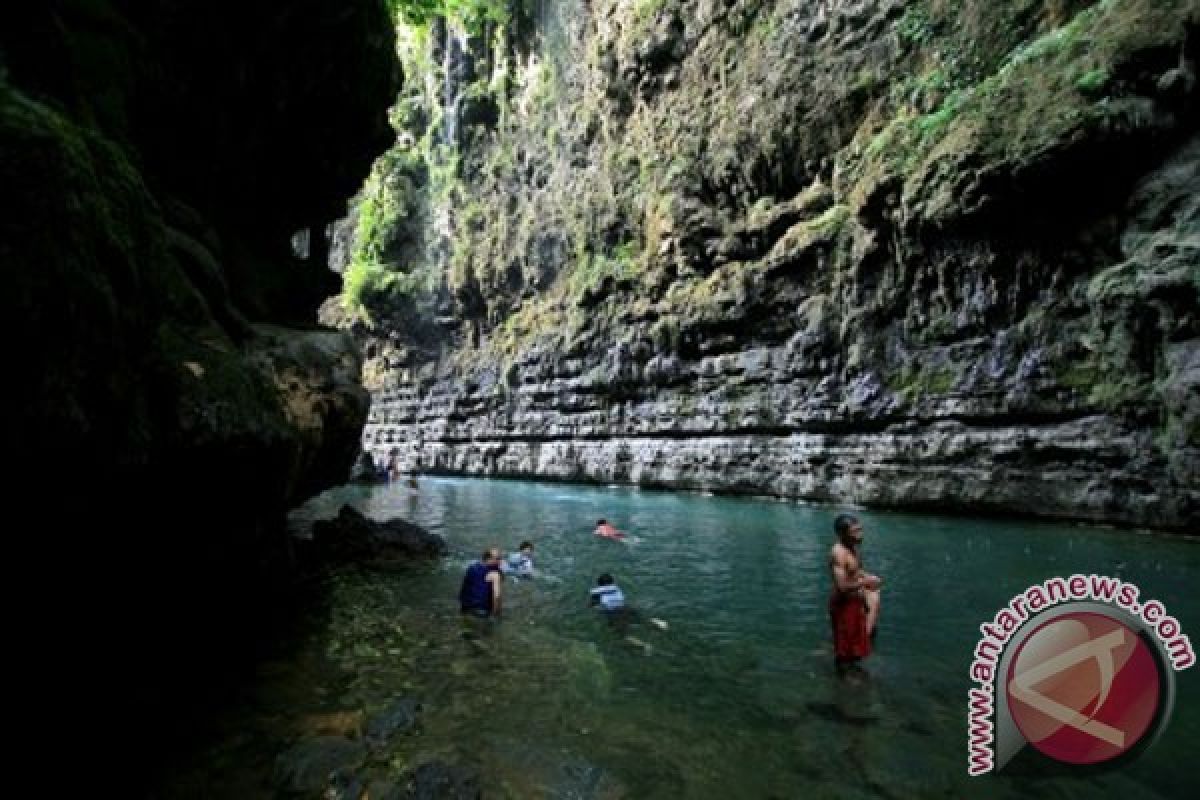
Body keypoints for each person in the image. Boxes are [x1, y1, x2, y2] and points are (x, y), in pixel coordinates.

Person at [828, 514, 882, 672]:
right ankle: (842, 681)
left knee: (854, 648)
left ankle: (850, 674)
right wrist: (866, 583)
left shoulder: (851, 547)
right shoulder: (838, 554)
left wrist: (866, 576)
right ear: (843, 534)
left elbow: (853, 571)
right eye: (855, 531)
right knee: (844, 651)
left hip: (855, 602)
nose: (860, 534)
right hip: (844, 606)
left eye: (860, 530)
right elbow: (842, 587)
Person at [459, 548, 503, 618]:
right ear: (489, 559)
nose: (501, 562)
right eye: (498, 559)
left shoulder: (471, 567)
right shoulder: (495, 574)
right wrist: (495, 614)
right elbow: (497, 596)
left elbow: (465, 587)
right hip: (481, 610)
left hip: (465, 606)